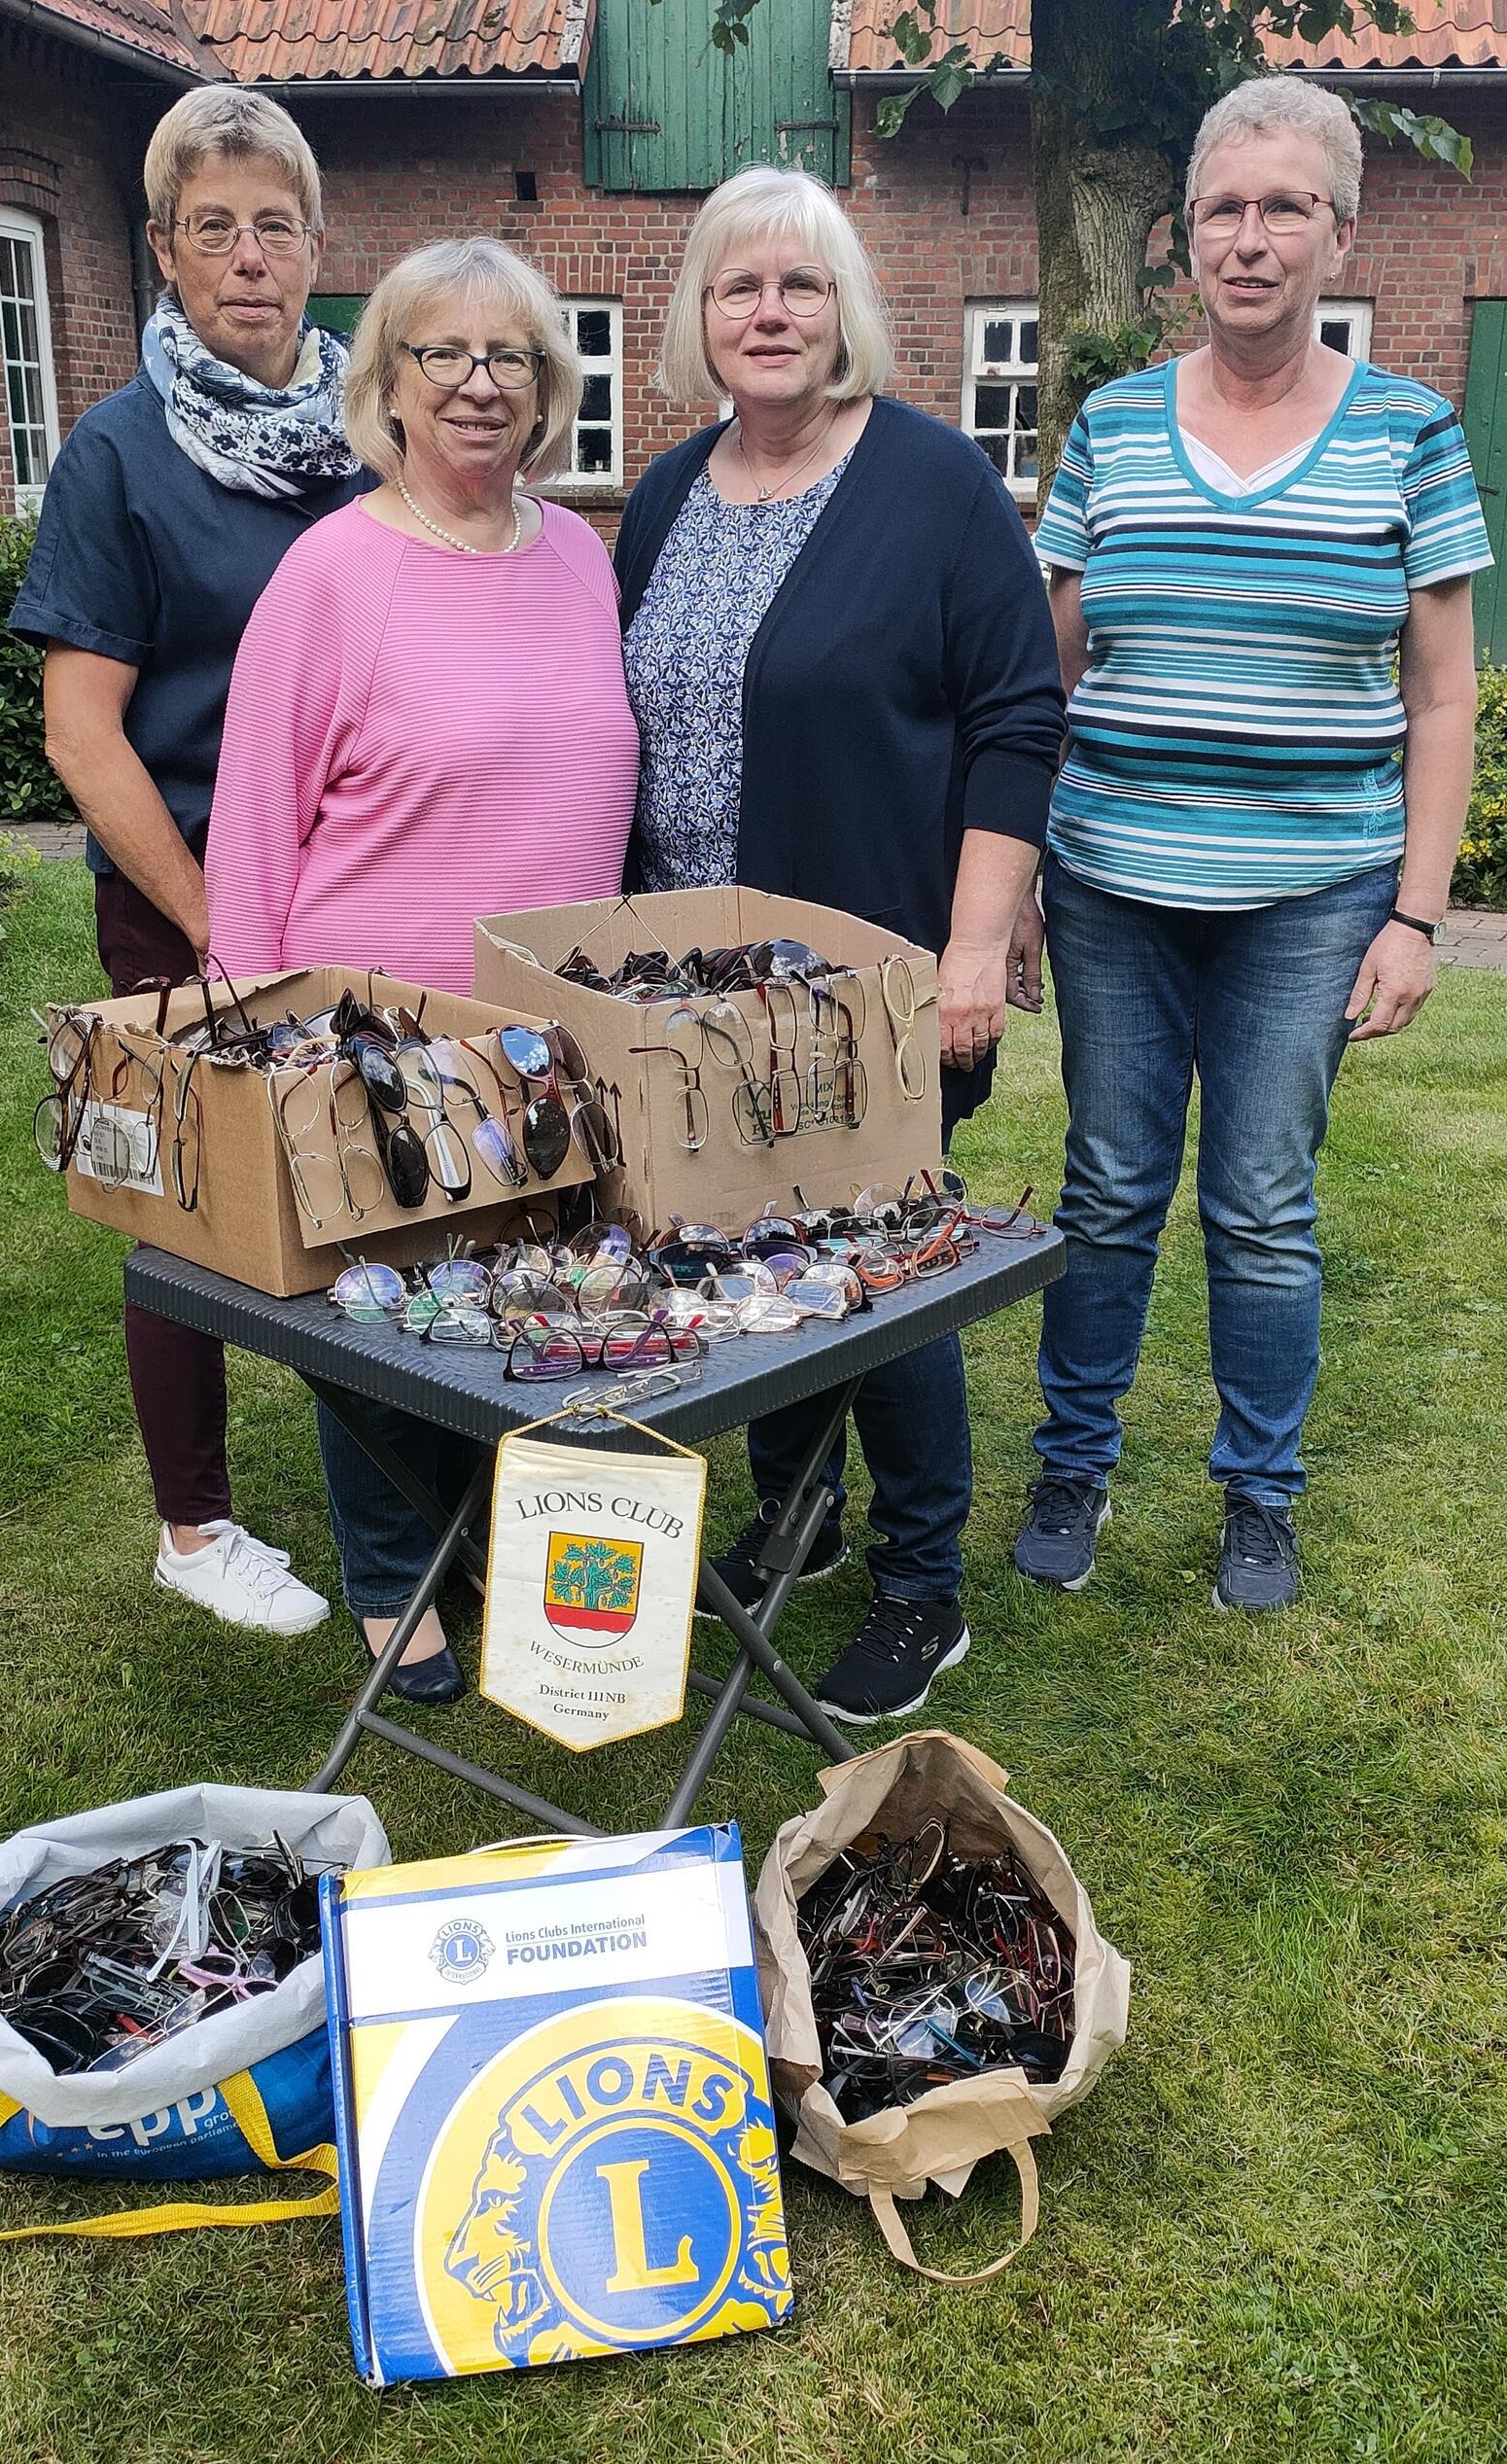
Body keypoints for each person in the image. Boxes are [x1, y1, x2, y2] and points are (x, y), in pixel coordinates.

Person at [1011, 76, 1490, 1614]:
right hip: (1112, 887)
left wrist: (1415, 913)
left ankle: (1258, 1497)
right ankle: (1073, 1466)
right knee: (1104, 1190)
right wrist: (1014, 874)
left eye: (1288, 206)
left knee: (1265, 1204)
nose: (1252, 236)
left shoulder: (1412, 434)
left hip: (1313, 894)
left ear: (1341, 234)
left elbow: (1442, 692)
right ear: (1187, 234)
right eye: (1225, 206)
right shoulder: (1110, 426)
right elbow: (1049, 673)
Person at [615, 164, 1065, 1725]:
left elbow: (1018, 721)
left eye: (801, 285)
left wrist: (975, 947)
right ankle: (798, 1515)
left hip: (873, 978)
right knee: (745, 1254)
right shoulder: (668, 492)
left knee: (880, 1273)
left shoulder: (935, 488)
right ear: (701, 316)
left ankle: (919, 1581)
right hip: (686, 990)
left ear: (846, 311)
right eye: (740, 286)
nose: (771, 312)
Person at [204, 238, 637, 1701]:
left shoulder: (578, 554)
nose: (476, 382)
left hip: (544, 1035)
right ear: (384, 382)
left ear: (546, 390)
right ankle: (397, 1581)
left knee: (515, 1298)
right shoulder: (336, 569)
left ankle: (494, 1539)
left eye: (509, 356)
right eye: (440, 354)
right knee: (386, 1314)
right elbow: (255, 820)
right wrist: (254, 1041)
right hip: (372, 1033)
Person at [13, 88, 367, 1635]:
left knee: (379, 1175)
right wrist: (218, 918)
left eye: (272, 226)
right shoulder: (118, 454)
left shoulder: (374, 432)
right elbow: (81, 733)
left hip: (359, 880)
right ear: (162, 250)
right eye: (211, 227)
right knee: (185, 1204)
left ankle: (403, 1481)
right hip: (190, 892)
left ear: (314, 247)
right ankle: (195, 1523)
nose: (246, 258)